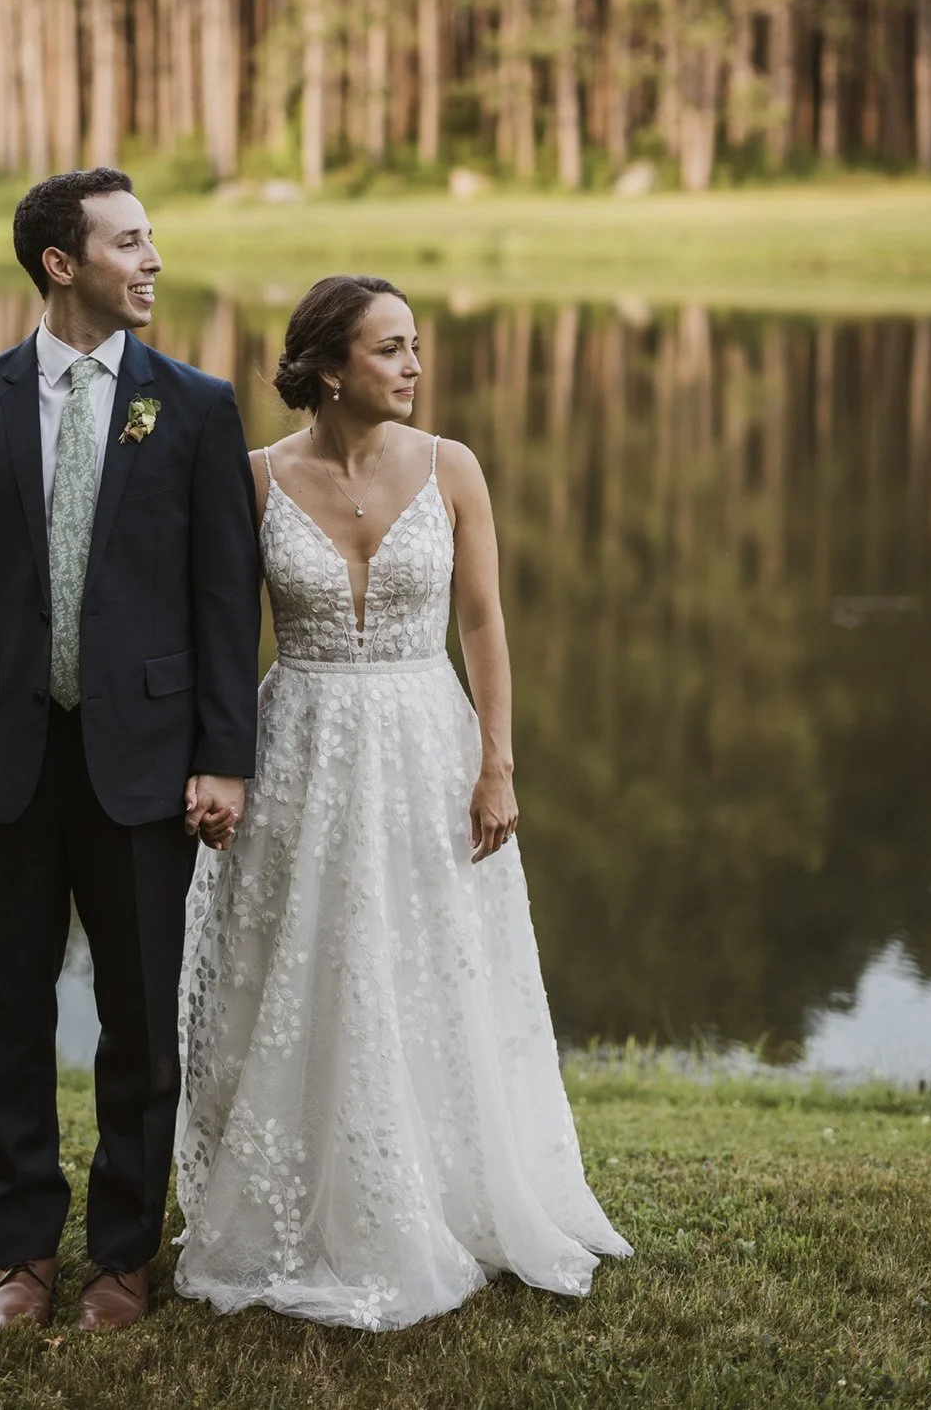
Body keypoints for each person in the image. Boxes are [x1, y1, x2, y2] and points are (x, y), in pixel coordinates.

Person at [176, 274, 631, 1330]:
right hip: (300, 751)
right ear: (330, 367)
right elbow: (220, 641)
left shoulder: (454, 467)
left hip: (429, 746)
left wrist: (499, 761)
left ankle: (448, 1193)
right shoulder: (253, 479)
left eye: (415, 346)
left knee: (431, 964)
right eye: (391, 349)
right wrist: (218, 763)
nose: (415, 366)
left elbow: (483, 627)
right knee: (309, 966)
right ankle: (302, 1208)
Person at [0, 168, 260, 1332]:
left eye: (152, 239)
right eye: (129, 242)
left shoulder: (194, 405)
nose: (153, 259)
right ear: (62, 263)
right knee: (10, 1011)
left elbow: (222, 601)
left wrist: (223, 756)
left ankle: (122, 1258)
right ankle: (24, 1254)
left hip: (147, 764)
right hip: (0, 754)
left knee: (141, 1020)